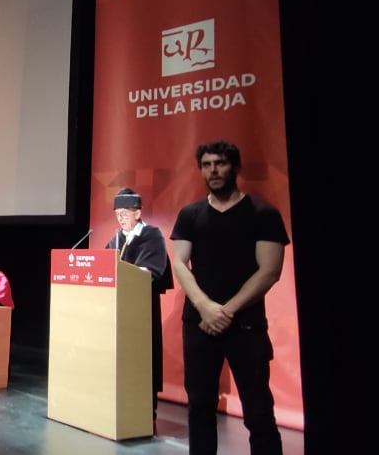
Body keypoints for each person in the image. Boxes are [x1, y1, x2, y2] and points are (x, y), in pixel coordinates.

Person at [170, 140, 288, 455]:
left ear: (234, 167)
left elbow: (270, 270)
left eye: (220, 163)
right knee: (200, 406)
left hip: (246, 325)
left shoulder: (263, 212)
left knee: (258, 409)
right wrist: (206, 307)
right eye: (207, 165)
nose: (213, 170)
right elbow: (179, 263)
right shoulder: (190, 214)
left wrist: (226, 311)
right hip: (198, 324)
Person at [103, 187, 173, 422]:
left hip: (142, 309)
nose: (121, 218)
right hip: (118, 311)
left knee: (143, 357)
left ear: (138, 212)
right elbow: (103, 266)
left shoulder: (152, 235)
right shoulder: (116, 239)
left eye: (125, 213)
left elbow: (151, 271)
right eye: (117, 214)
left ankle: (145, 408)